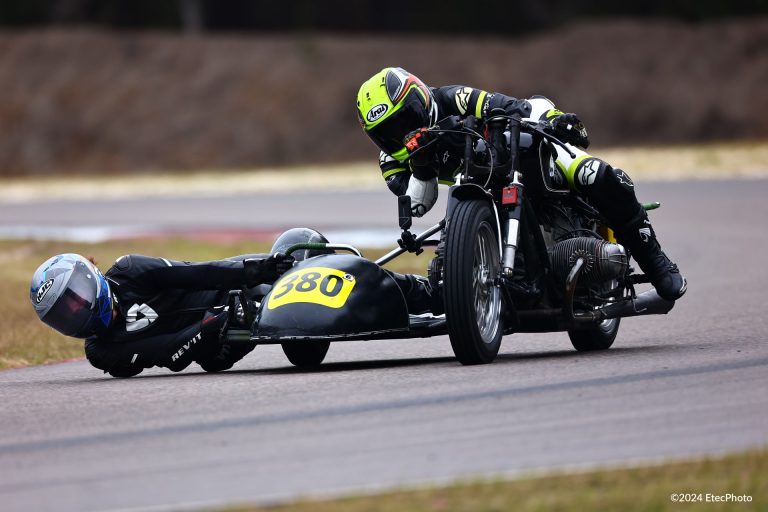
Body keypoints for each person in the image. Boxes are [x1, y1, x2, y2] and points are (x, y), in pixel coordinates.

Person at [355, 67, 686, 301]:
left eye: (406, 119)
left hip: (519, 159)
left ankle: (655, 260)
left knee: (593, 174)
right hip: (479, 192)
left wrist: (554, 119)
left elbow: (512, 105)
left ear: (420, 99)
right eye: (390, 131)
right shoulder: (392, 161)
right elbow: (418, 205)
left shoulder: (453, 99)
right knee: (443, 260)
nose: (404, 133)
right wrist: (421, 165)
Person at [29, 251, 294, 378]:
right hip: (212, 344)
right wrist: (213, 323)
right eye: (63, 316)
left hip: (224, 293)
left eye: (75, 301)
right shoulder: (100, 351)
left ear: (89, 278)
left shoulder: (130, 270)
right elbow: (168, 354)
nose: (75, 314)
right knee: (216, 357)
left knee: (290, 250)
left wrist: (257, 270)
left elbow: (197, 274)